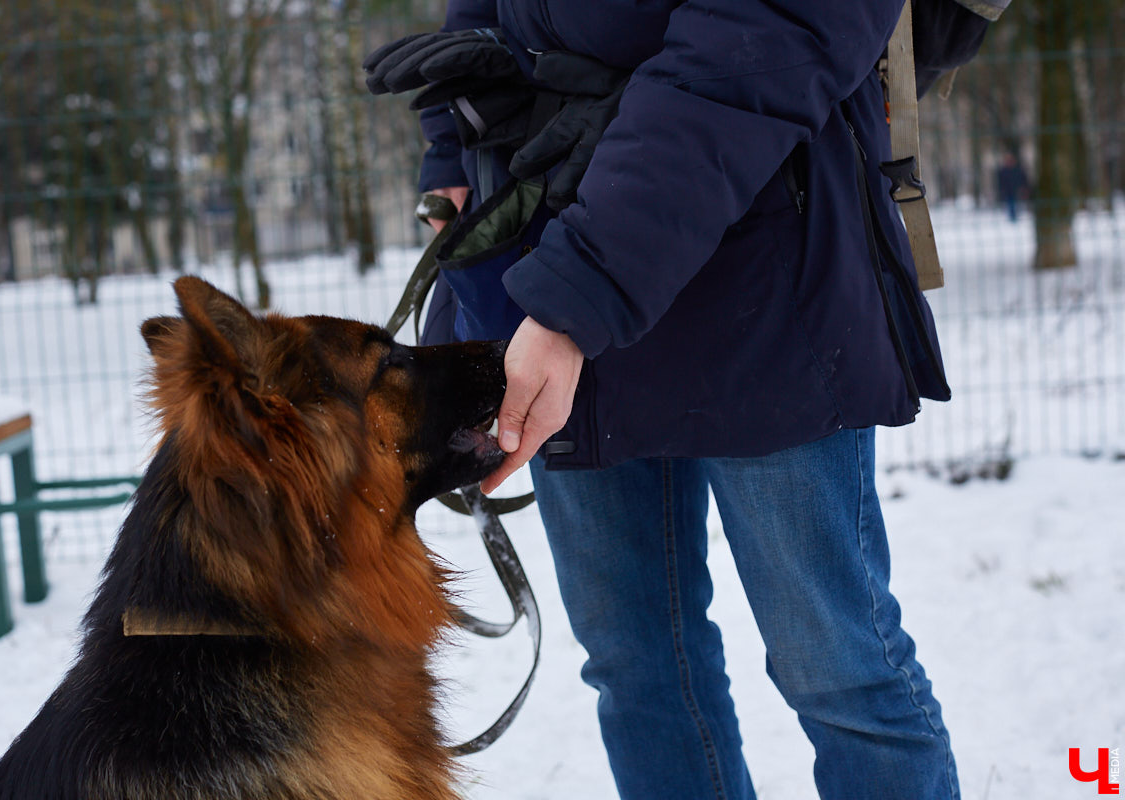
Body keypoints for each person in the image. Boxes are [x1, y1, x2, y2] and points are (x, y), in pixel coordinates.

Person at [372, 2, 961, 798]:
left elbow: (760, 50)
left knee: (836, 668)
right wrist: (452, 147)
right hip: (554, 267)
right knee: (636, 670)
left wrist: (575, 295)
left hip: (757, 286)